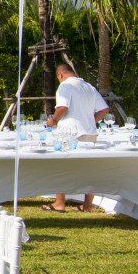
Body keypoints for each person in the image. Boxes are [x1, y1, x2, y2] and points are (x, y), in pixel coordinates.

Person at [46, 61, 111, 212]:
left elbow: (62, 107)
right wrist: (89, 120)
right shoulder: (89, 87)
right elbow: (104, 109)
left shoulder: (65, 86)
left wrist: (53, 120)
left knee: (61, 167)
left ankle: (59, 203)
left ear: (60, 75)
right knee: (90, 169)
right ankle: (87, 206)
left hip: (70, 133)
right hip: (90, 133)